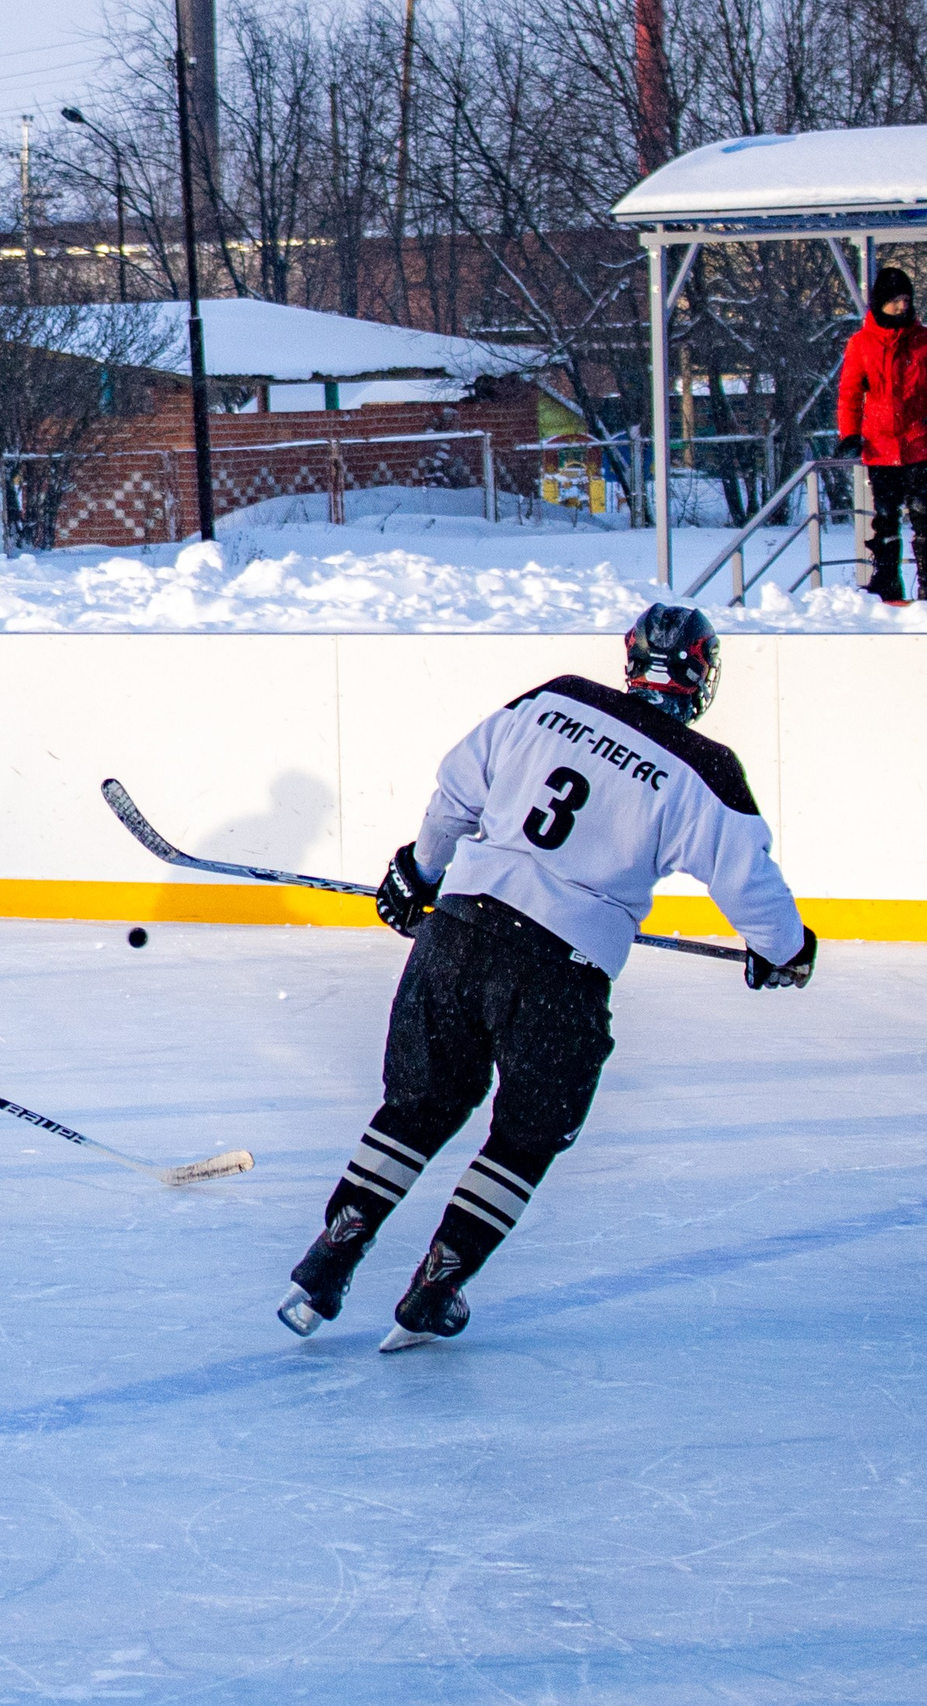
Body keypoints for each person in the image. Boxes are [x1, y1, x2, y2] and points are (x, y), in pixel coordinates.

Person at [278, 604, 815, 1351]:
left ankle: (331, 1254)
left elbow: (456, 794)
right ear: (699, 673)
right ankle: (435, 1286)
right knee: (525, 1137)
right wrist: (786, 950)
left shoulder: (553, 698)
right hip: (560, 973)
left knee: (416, 1107)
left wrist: (418, 870)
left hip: (457, 934)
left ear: (632, 660)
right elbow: (751, 886)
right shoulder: (705, 768)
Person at [836, 265, 927, 604]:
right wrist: (850, 433)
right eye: (895, 301)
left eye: (907, 299)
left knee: (925, 518)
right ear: (880, 303)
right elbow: (849, 393)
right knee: (885, 521)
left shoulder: (922, 341)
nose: (903, 306)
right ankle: (887, 582)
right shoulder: (861, 344)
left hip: (920, 446)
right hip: (881, 447)